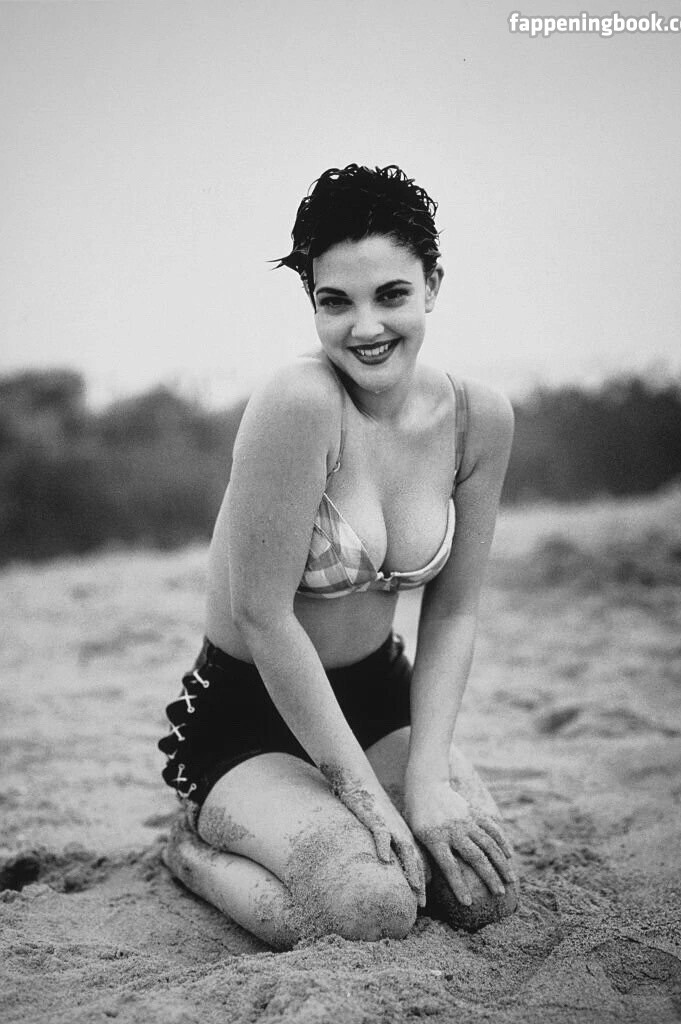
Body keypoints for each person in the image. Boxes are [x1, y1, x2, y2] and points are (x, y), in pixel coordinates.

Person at [158, 164, 518, 949]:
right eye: (336, 301)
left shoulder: (478, 420)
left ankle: (358, 817)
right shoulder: (298, 404)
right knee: (368, 908)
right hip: (251, 713)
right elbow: (261, 614)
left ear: (433, 285)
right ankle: (192, 850)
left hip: (379, 697)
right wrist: (365, 793)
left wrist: (426, 781)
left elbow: (454, 612)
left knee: (480, 893)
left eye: (391, 294)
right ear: (311, 301)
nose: (365, 327)